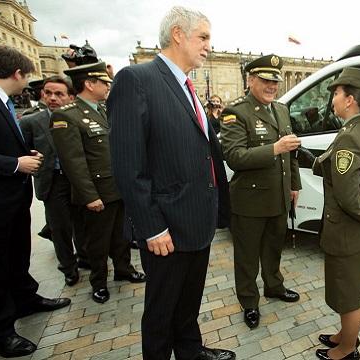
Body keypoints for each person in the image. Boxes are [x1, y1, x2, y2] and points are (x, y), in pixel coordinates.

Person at [108, 6, 234, 360]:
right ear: (178, 34)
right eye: (204, 37)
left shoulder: (188, 87)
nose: (209, 45)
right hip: (165, 228)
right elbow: (128, 165)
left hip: (196, 219)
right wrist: (151, 228)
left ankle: (191, 351)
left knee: (189, 299)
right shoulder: (137, 79)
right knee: (162, 310)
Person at [0, 45, 71, 358]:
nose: (29, 85)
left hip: (11, 200)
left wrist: (25, 155)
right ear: (17, 73)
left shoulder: (4, 102)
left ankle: (25, 298)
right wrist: (15, 164)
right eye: (28, 78)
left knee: (16, 253)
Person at [50, 62, 145, 304]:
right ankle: (99, 282)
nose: (108, 86)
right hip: (97, 192)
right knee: (98, 242)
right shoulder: (67, 115)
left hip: (117, 188)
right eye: (104, 82)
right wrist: (89, 196)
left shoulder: (103, 110)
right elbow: (74, 162)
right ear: (89, 84)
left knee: (121, 236)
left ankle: (123, 269)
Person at [220, 54, 302, 329]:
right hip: (250, 200)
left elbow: (291, 154)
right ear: (250, 80)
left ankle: (274, 286)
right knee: (247, 256)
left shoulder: (281, 109)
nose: (272, 86)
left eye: (275, 81)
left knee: (273, 249)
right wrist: (273, 148)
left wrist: (294, 186)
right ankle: (249, 301)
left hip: (278, 197)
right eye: (266, 80)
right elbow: (235, 156)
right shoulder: (236, 112)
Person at [309, 67, 360, 360]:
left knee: (349, 294)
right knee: (345, 288)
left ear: (350, 99)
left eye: (337, 94)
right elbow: (334, 165)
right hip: (351, 233)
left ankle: (347, 349)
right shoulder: (359, 128)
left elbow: (349, 198)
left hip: (348, 232)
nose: (334, 100)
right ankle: (344, 335)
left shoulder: (350, 137)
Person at [20, 76, 90, 286]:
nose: (52, 98)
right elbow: (22, 151)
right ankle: (68, 267)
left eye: (59, 94)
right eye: (48, 93)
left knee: (83, 222)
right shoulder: (31, 122)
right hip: (52, 181)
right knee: (60, 228)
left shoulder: (81, 119)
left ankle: (85, 257)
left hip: (77, 180)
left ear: (70, 97)